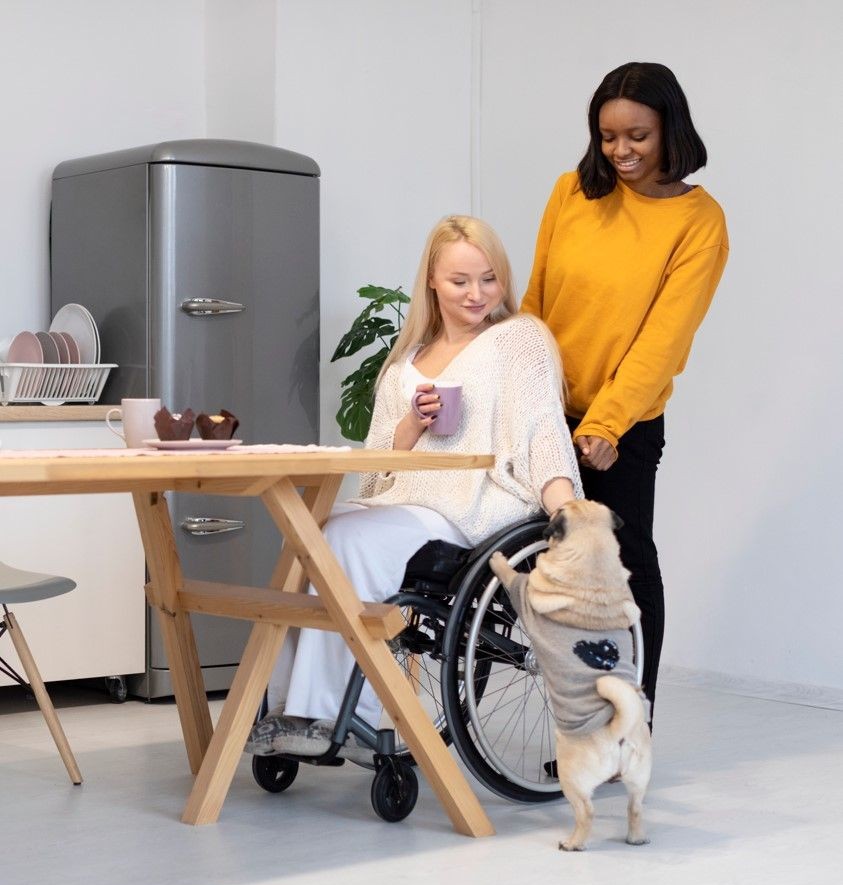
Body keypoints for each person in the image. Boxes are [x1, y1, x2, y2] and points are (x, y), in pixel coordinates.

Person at [247, 215, 583, 758]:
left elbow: (541, 428)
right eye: (460, 281)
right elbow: (379, 473)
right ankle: (287, 710)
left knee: (349, 541)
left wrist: (567, 509)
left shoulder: (519, 338)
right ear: (431, 279)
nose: (477, 294)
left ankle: (338, 715)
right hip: (403, 502)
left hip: (475, 505)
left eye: (489, 279)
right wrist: (411, 425)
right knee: (308, 537)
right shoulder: (405, 362)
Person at [521, 62, 729, 719]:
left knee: (623, 568)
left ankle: (626, 718)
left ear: (670, 128)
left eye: (636, 136)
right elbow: (536, 301)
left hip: (622, 425)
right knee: (536, 563)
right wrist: (520, 389)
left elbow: (662, 340)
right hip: (544, 410)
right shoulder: (569, 194)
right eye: (607, 136)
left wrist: (606, 424)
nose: (620, 151)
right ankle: (567, 709)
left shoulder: (698, 221)